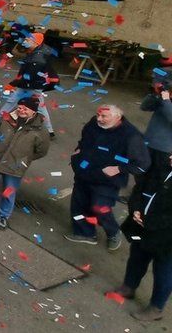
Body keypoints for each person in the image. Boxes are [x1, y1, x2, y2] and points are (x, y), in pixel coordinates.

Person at [67, 105, 151, 250]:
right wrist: (78, 150)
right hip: (84, 172)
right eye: (98, 115)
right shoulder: (95, 122)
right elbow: (85, 137)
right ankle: (85, 233)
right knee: (79, 203)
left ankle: (112, 232)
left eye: (104, 117)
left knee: (100, 207)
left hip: (107, 181)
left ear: (118, 117)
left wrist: (119, 168)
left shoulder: (132, 136)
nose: (99, 119)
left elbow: (143, 164)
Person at [0, 96, 50, 229]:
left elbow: (41, 150)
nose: (21, 110)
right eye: (19, 107)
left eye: (26, 109)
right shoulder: (6, 118)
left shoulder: (41, 131)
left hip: (15, 166)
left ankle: (3, 216)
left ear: (34, 111)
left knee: (9, 191)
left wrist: (25, 158)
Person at [111, 151, 172, 322]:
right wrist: (136, 208)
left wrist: (150, 221)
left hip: (166, 238)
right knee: (137, 257)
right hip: (142, 227)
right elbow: (141, 186)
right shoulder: (160, 164)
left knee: (164, 271)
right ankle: (129, 286)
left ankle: (156, 307)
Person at [0, 32, 59, 138]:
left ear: (35, 42)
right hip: (33, 84)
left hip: (32, 85)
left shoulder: (38, 58)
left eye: (28, 40)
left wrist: (12, 84)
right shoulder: (37, 51)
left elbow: (28, 75)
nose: (25, 41)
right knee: (37, 106)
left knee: (15, 101)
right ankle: (49, 130)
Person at [141, 80, 172, 162]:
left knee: (159, 174)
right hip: (148, 144)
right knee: (141, 173)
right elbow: (144, 107)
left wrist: (166, 100)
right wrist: (154, 94)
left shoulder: (166, 101)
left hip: (166, 150)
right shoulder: (165, 100)